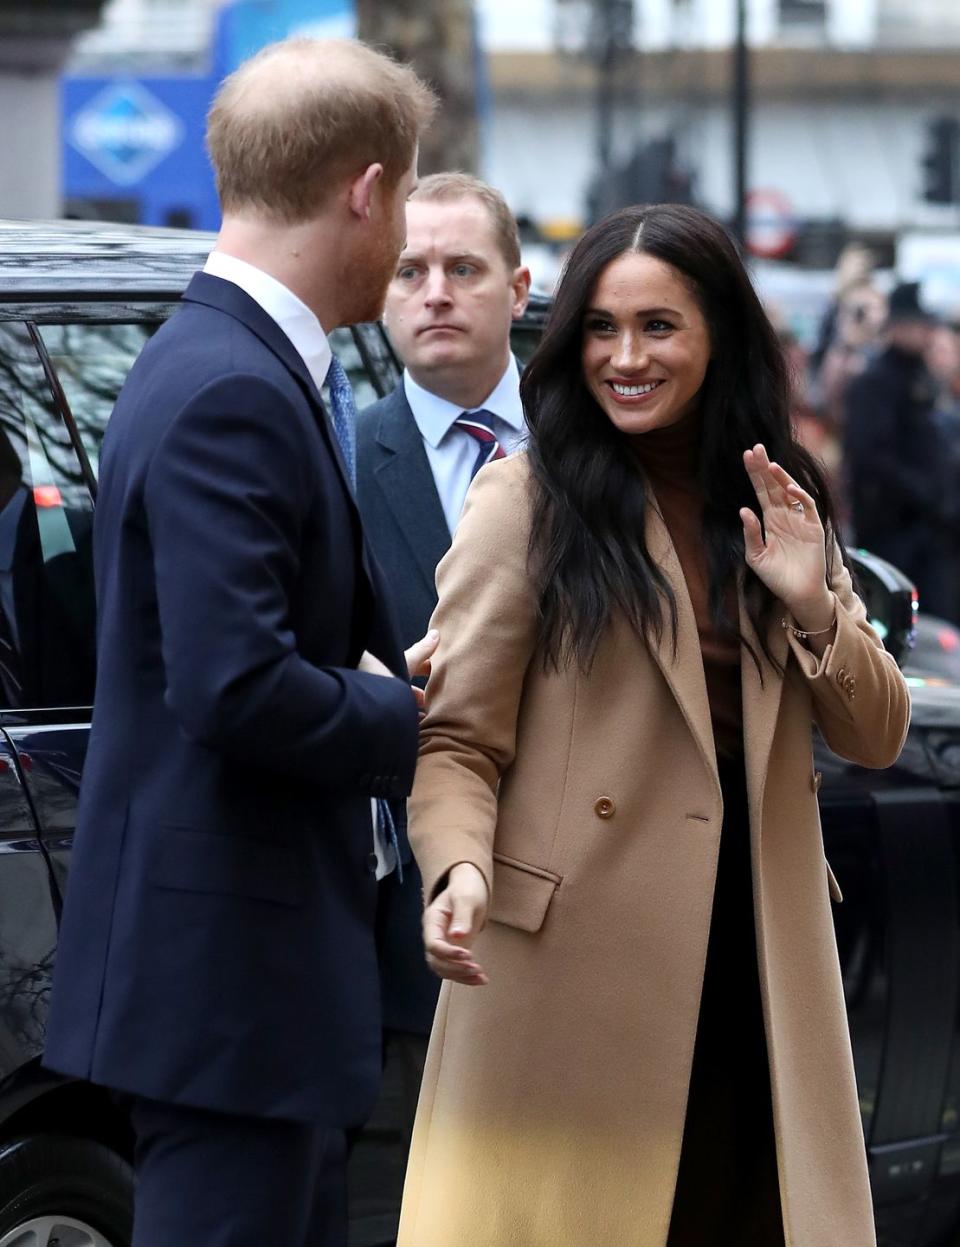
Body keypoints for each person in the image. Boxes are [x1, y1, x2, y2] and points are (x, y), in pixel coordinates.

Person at [398, 203, 909, 1247]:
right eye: (600, 327)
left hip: (757, 955)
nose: (624, 358)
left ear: (718, 332)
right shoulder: (528, 499)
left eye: (659, 327)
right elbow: (457, 736)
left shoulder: (777, 496)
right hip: (576, 966)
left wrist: (812, 602)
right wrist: (456, 867)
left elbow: (875, 733)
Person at [43, 37, 435, 1247]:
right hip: (233, 998)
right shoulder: (235, 386)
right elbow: (235, 683)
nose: (408, 228)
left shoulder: (227, 361)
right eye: (409, 193)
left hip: (246, 997)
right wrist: (411, 716)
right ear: (364, 189)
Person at [355, 171, 531, 1148]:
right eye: (410, 269)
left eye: (463, 268)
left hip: (588, 918)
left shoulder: (599, 451)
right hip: (401, 955)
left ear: (517, 287)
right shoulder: (332, 462)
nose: (434, 291)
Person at [844, 280, 955, 619]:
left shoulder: (921, 377)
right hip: (894, 533)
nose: (927, 334)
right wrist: (926, 494)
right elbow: (870, 458)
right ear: (898, 325)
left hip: (930, 533)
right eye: (919, 325)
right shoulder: (875, 382)